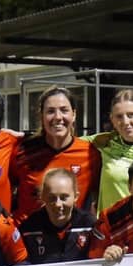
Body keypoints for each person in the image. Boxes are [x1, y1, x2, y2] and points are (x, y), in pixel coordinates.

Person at [11, 86, 100, 224]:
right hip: (28, 238)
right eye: (50, 111)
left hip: (72, 240)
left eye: (64, 110)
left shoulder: (90, 153)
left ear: (74, 114)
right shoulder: (23, 152)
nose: (58, 117)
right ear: (41, 116)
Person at [20, 168, 95, 264]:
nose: (58, 204)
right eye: (52, 198)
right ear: (42, 197)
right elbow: (20, 263)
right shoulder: (29, 229)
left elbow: (100, 254)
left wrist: (111, 252)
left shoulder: (89, 225)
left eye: (64, 198)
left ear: (75, 197)